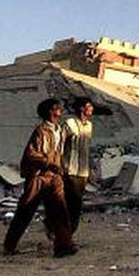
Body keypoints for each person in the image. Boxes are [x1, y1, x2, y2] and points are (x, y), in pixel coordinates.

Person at [3, 98, 77, 258]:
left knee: (60, 211)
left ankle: (64, 246)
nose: (61, 111)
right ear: (50, 111)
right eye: (57, 108)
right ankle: (9, 245)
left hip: (55, 177)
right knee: (26, 210)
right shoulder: (40, 131)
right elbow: (32, 154)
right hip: (39, 177)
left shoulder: (61, 130)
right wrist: (49, 163)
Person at [61, 97, 94, 233]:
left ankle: (70, 233)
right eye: (89, 106)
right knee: (70, 203)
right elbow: (60, 145)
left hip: (83, 172)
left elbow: (87, 148)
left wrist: (90, 169)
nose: (91, 109)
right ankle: (62, 232)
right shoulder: (69, 124)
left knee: (77, 205)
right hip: (70, 170)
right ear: (81, 108)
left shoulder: (89, 126)